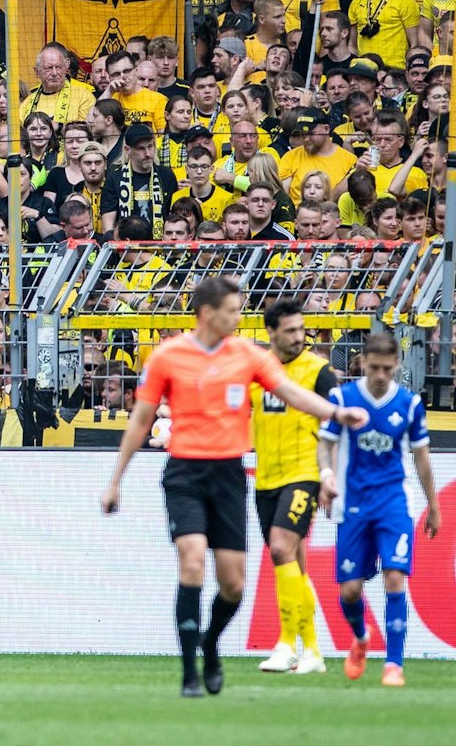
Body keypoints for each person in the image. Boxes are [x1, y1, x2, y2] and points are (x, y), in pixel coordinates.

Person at [101, 277, 367, 698]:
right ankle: (189, 673)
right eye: (233, 311)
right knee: (192, 562)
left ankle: (210, 644)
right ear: (208, 314)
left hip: (228, 475)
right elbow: (140, 420)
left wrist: (337, 413)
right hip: (185, 473)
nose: (239, 318)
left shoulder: (246, 355)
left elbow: (291, 393)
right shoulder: (169, 356)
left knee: (233, 585)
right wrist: (116, 480)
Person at [318, 332, 441, 687]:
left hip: (393, 503)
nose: (381, 375)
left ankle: (394, 664)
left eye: (387, 368)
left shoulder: (409, 404)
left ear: (397, 366)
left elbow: (421, 458)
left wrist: (433, 505)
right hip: (353, 503)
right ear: (363, 364)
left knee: (395, 576)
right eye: (374, 368)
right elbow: (325, 445)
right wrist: (326, 477)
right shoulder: (343, 398)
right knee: (349, 590)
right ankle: (360, 637)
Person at [252, 300, 335, 676]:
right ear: (271, 332)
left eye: (301, 329)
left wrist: (329, 474)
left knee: (281, 548)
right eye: (290, 331)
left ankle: (286, 645)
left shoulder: (318, 371)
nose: (299, 336)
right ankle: (313, 652)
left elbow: (336, 427)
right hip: (266, 477)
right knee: (293, 563)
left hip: (304, 473)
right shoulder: (257, 370)